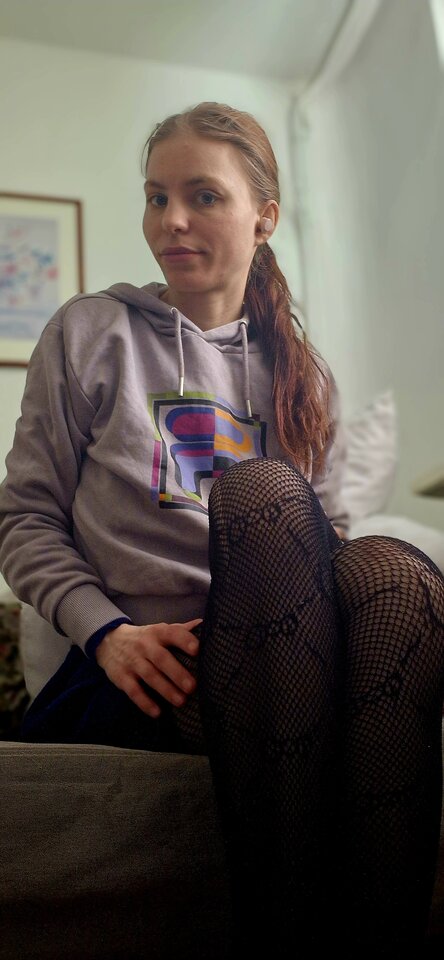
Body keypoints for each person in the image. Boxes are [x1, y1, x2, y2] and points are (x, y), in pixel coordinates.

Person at [0, 101, 443, 958]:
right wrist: (108, 634)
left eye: (203, 196)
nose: (171, 219)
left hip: (285, 654)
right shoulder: (91, 333)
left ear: (263, 217)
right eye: (156, 196)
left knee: (394, 573)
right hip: (148, 670)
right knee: (264, 493)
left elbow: (327, 547)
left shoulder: (302, 377)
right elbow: (24, 518)